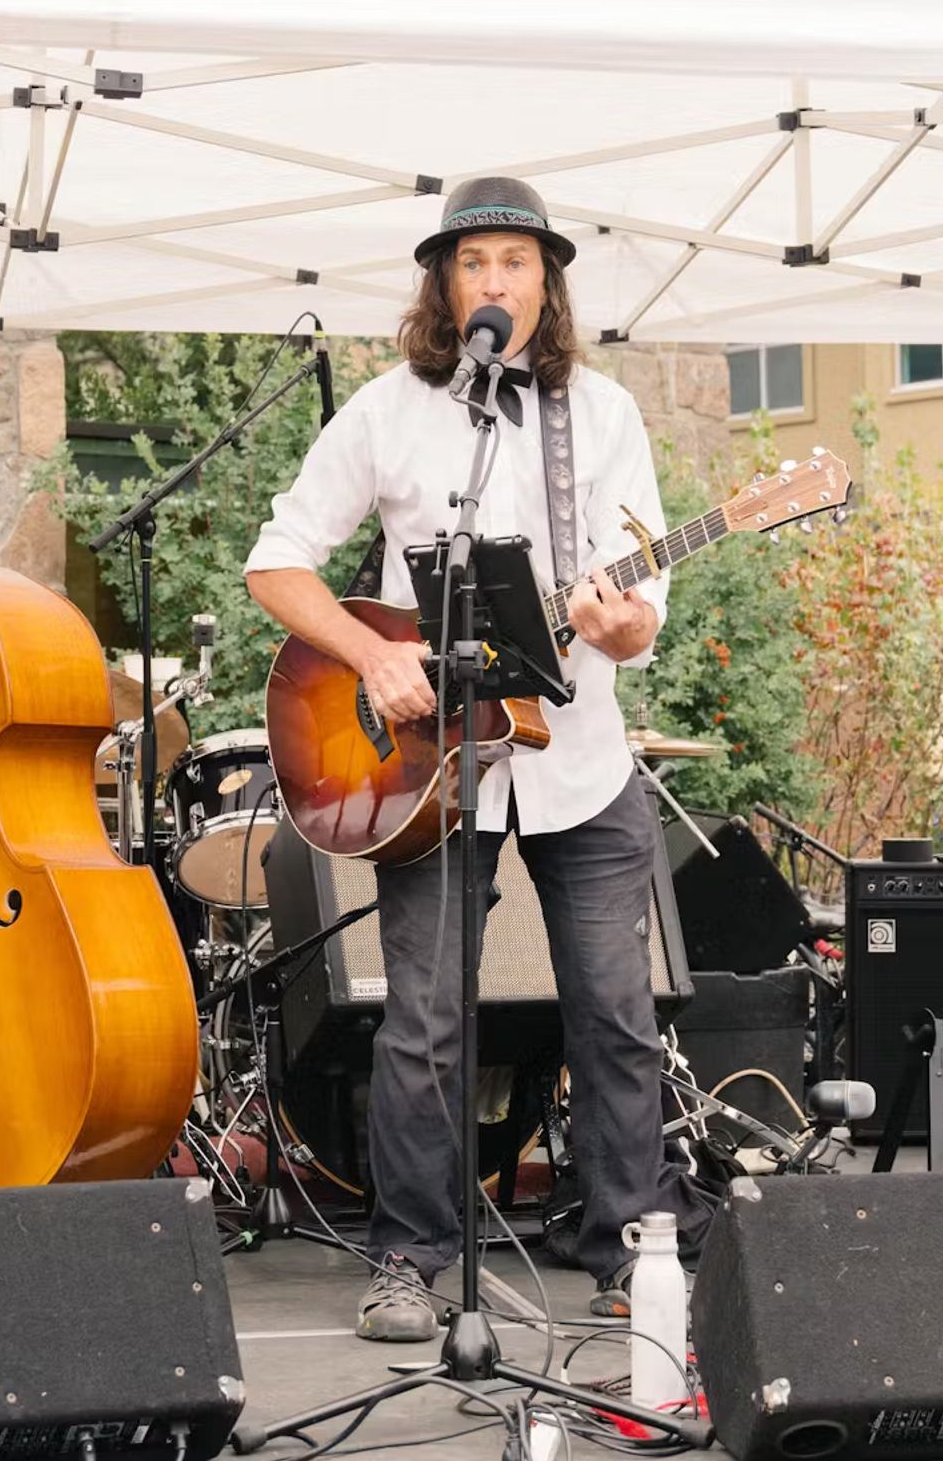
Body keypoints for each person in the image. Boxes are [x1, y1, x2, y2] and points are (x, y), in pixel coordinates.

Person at [245, 176, 711, 1340]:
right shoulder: (389, 409)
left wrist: (620, 625)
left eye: (516, 261)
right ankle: (409, 1257)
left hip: (581, 759)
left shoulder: (602, 413)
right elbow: (277, 560)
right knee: (425, 1020)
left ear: (545, 284)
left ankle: (626, 1247)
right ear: (444, 285)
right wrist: (371, 652)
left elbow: (642, 607)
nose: (496, 280)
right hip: (430, 762)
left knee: (615, 1012)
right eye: (474, 261)